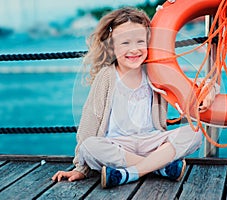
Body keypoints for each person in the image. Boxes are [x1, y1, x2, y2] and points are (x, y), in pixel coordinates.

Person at [52, 6, 218, 189]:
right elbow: (89, 122)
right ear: (112, 46)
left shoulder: (155, 72)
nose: (134, 49)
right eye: (125, 43)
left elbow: (195, 83)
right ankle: (159, 168)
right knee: (89, 146)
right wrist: (81, 169)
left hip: (152, 141)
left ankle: (128, 174)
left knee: (194, 134)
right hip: (118, 145)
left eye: (140, 41)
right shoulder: (106, 76)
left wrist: (211, 89)